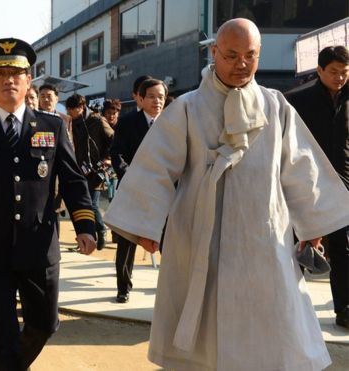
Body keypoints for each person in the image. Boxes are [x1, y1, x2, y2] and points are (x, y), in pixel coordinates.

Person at [104, 18, 349, 370]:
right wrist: (145, 223)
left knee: (271, 321)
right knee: (204, 332)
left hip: (263, 233)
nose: (241, 64)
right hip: (199, 231)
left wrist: (314, 222)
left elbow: (299, 165)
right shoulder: (187, 107)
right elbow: (156, 167)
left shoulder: (275, 105)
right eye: (231, 55)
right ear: (215, 52)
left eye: (250, 55)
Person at [0, 37, 97, 370]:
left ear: (29, 80)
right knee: (2, 329)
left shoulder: (53, 126)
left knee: (45, 323)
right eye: (0, 74)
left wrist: (85, 224)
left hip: (39, 244)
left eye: (16, 73)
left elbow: (73, 181)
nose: (8, 80)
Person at [286, 45, 349, 329]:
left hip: (344, 187)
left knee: (342, 249)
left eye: (345, 73)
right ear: (319, 70)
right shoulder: (296, 101)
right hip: (304, 186)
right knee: (295, 248)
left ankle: (345, 310)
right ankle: (286, 309)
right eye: (334, 72)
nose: (339, 78)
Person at [109, 79, 168, 304]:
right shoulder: (127, 122)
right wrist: (130, 176)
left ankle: (169, 287)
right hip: (133, 190)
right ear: (140, 99)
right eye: (152, 96)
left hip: (164, 192)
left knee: (168, 241)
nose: (157, 101)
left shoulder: (173, 122)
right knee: (127, 240)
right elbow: (117, 154)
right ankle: (123, 287)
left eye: (161, 97)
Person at [66, 93, 114, 250]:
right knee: (83, 203)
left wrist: (107, 158)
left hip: (95, 170)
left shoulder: (97, 120)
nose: (69, 113)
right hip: (78, 169)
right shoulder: (72, 122)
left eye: (71, 110)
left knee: (91, 203)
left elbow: (113, 139)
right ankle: (89, 236)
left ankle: (101, 231)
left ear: (81, 108)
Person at [101, 99, 121, 202]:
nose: (111, 116)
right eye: (108, 113)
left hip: (116, 166)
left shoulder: (122, 126)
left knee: (114, 196)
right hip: (103, 167)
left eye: (114, 113)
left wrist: (111, 161)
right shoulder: (100, 125)